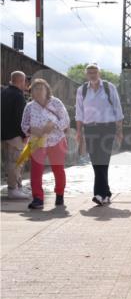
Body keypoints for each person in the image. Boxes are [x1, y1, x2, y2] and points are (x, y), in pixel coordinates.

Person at [75, 63, 124, 206]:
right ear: (86, 75)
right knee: (95, 160)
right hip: (90, 129)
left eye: (95, 72)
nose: (92, 74)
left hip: (107, 128)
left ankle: (99, 194)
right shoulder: (82, 90)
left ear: (99, 74)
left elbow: (118, 110)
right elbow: (79, 113)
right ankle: (106, 193)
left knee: (103, 159)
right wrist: (79, 131)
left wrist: (119, 131)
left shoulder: (109, 88)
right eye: (89, 72)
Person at [21, 78, 70, 210]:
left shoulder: (56, 102)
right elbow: (24, 124)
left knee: (58, 169)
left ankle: (59, 194)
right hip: (37, 141)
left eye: (40, 88)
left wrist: (53, 126)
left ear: (47, 89)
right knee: (36, 169)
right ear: (31, 92)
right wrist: (31, 129)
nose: (37, 91)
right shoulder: (29, 106)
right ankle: (38, 198)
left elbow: (65, 120)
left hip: (56, 140)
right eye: (35, 89)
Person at [2, 70, 30, 199]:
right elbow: (20, 118)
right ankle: (13, 190)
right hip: (15, 135)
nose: (25, 84)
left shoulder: (3, 92)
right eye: (24, 81)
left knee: (9, 162)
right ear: (20, 81)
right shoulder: (18, 95)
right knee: (16, 162)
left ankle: (16, 187)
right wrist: (25, 134)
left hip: (3, 135)